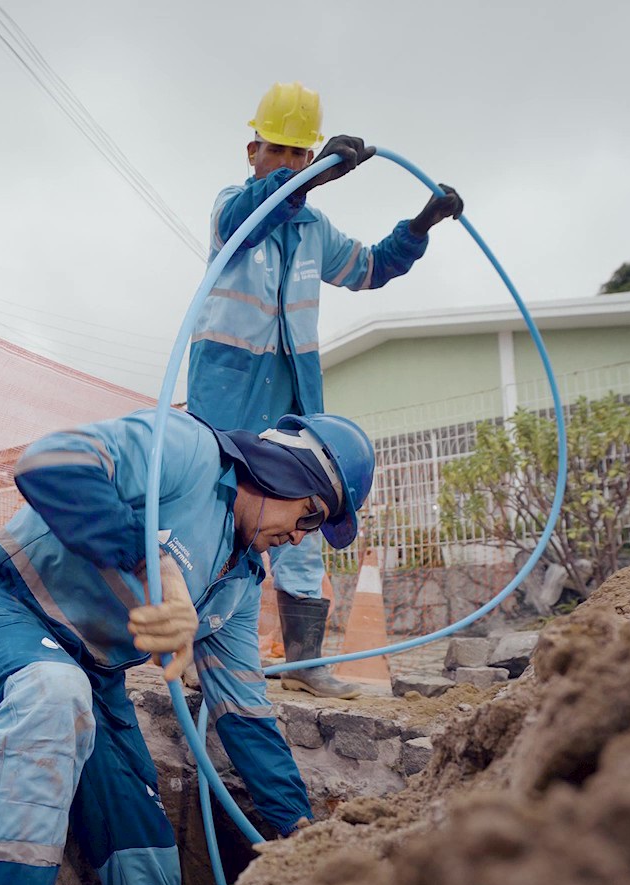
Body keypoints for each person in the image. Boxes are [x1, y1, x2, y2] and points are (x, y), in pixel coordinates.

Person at [0, 406, 375, 885]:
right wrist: (148, 560)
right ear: (289, 470)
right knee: (52, 694)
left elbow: (244, 712)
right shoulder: (189, 451)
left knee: (147, 864)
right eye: (311, 515)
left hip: (94, 675)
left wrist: (300, 826)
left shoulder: (242, 581)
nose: (301, 537)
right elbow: (48, 463)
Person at [186, 81, 464, 698]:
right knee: (218, 517)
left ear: (309, 158)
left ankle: (307, 665)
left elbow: (370, 268)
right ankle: (199, 655)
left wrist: (421, 224)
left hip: (293, 404)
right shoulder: (233, 206)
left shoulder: (315, 229)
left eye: (297, 154)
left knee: (303, 521)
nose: (286, 162)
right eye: (275, 150)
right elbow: (246, 219)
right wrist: (304, 185)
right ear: (252, 149)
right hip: (226, 397)